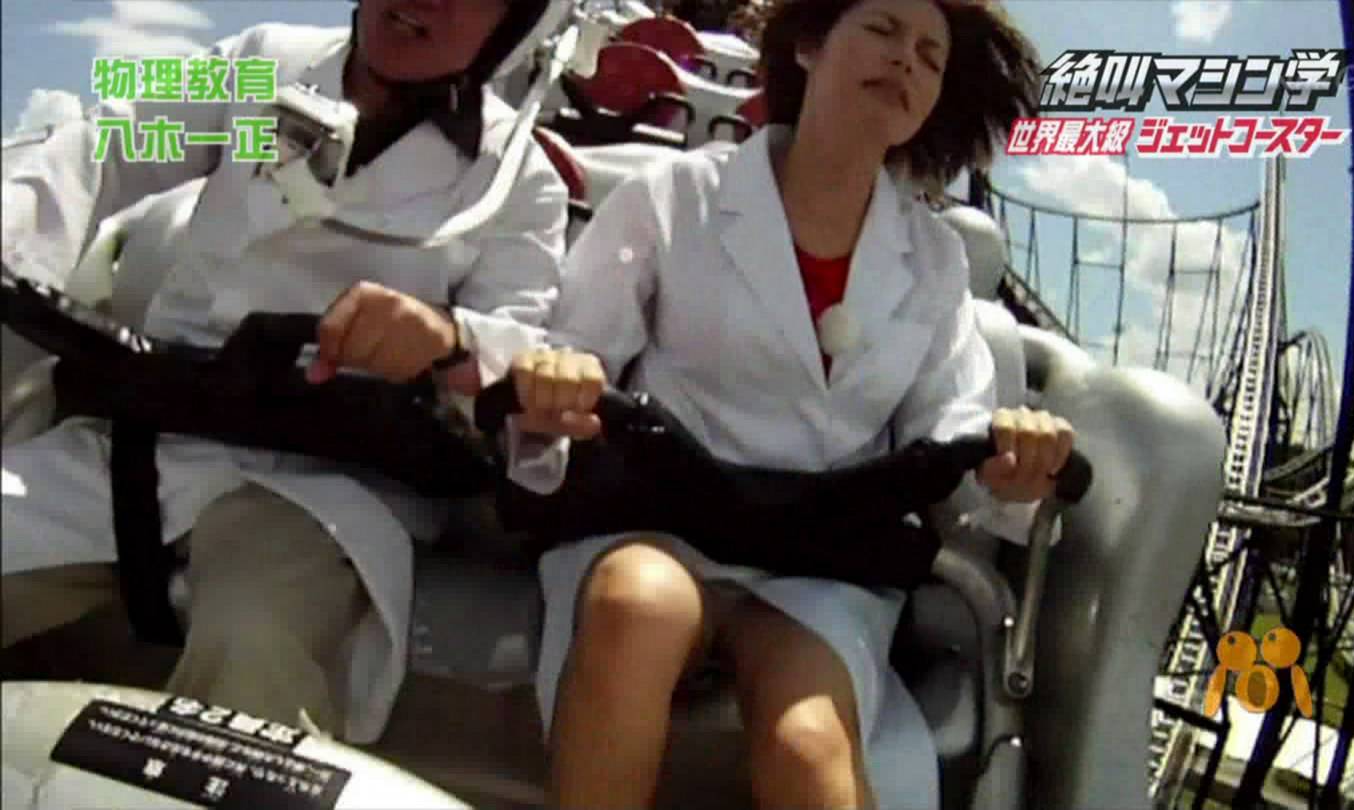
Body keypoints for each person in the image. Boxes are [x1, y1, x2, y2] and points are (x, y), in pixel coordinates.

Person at [506, 1, 1063, 807]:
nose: (905, 60)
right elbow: (574, 351)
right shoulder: (676, 194)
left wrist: (1013, 465)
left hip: (822, 563)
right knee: (635, 609)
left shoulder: (936, 262)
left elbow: (958, 424)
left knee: (808, 743)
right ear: (808, 46)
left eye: (930, 55)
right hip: (657, 525)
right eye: (883, 30)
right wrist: (556, 382)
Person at [1, 0, 567, 745]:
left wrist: (451, 341)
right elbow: (104, 139)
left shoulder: (522, 181)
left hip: (325, 483)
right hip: (149, 431)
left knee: (253, 645)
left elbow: (523, 358)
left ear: (515, 24)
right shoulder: (257, 56)